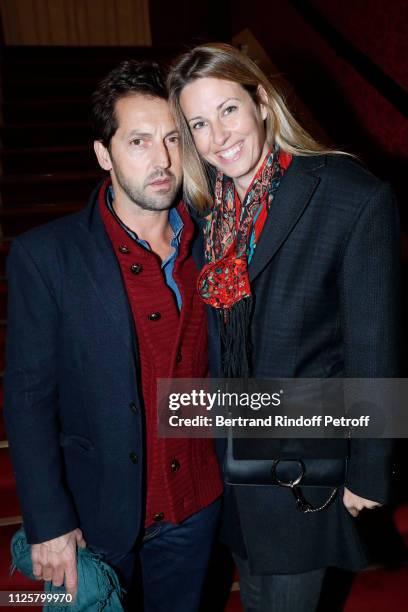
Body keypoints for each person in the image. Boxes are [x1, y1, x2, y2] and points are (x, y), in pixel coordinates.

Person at [168, 43, 399, 612]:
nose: (218, 136)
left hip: (305, 460)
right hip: (231, 465)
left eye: (227, 109)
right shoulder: (207, 210)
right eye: (198, 123)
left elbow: (375, 347)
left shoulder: (348, 195)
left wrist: (369, 470)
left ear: (263, 102)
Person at [4, 59, 223, 612]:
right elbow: (27, 396)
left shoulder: (218, 243)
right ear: (104, 154)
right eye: (139, 141)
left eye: (174, 139)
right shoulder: (46, 256)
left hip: (197, 507)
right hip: (93, 514)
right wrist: (48, 521)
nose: (163, 160)